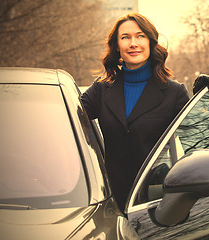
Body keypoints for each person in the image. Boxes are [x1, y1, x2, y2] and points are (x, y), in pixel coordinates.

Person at [81, 13, 190, 210]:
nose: (133, 43)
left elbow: (199, 147)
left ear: (151, 42)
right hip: (110, 203)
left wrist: (206, 102)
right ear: (116, 46)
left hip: (158, 203)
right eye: (125, 37)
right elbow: (70, 120)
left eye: (140, 36)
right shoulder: (101, 89)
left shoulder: (174, 93)